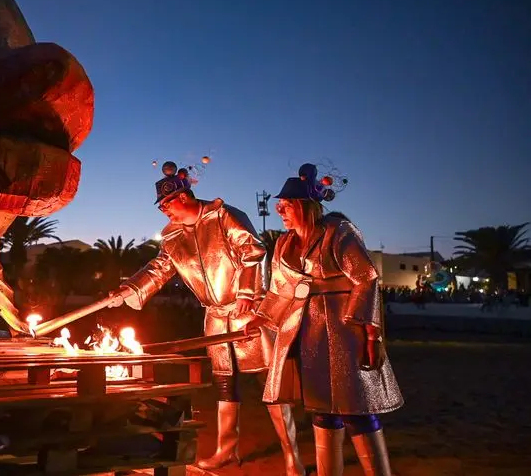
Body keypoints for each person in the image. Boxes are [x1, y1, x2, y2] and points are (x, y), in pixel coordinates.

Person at [106, 162, 305, 474]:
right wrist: (130, 289)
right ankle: (227, 450)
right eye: (161, 206)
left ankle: (293, 458)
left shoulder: (224, 215)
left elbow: (253, 251)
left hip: (249, 314)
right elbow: (160, 268)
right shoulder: (172, 236)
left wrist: (245, 294)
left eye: (166, 205)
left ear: (183, 197)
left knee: (270, 384)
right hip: (214, 316)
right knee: (225, 385)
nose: (164, 212)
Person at [253, 163, 403, 476]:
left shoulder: (338, 232)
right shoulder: (283, 244)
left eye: (285, 206)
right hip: (307, 336)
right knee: (321, 409)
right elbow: (280, 291)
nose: (279, 211)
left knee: (356, 409)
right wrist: (261, 319)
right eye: (278, 206)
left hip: (344, 332)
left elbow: (366, 278)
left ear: (303, 207)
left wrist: (367, 331)